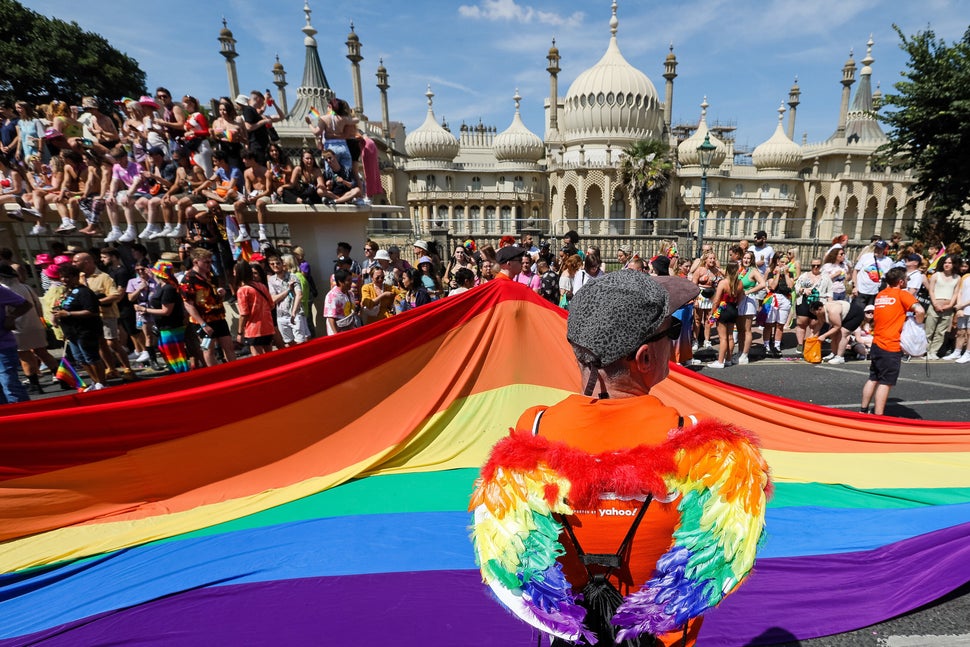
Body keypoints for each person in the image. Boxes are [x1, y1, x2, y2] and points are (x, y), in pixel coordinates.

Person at [471, 270, 769, 647]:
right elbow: (724, 561)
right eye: (672, 331)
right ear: (645, 357)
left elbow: (507, 558)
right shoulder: (703, 445)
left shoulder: (533, 430)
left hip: (574, 633)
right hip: (660, 637)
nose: (675, 340)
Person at [860, 267, 925, 414]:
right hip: (891, 345)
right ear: (901, 281)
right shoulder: (902, 294)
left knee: (873, 378)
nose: (908, 282)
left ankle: (863, 410)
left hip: (877, 343)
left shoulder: (880, 295)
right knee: (885, 382)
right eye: (907, 279)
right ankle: (879, 416)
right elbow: (920, 310)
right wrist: (918, 324)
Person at [50, 263, 107, 391]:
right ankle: (94, 381)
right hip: (71, 332)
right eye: (62, 277)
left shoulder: (84, 292)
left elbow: (92, 311)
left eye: (67, 277)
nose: (64, 279)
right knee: (80, 359)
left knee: (91, 357)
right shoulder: (67, 293)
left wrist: (68, 313)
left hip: (85, 331)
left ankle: (102, 382)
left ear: (75, 277)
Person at [179, 247, 235, 367]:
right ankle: (215, 376)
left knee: (229, 346)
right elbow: (188, 304)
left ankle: (234, 372)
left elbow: (211, 297)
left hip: (218, 317)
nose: (209, 265)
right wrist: (203, 324)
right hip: (204, 320)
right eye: (206, 262)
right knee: (209, 350)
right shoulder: (188, 279)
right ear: (196, 262)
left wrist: (220, 295)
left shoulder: (209, 275)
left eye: (210, 262)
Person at [136, 260, 190, 373]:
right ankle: (177, 374)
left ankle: (182, 376)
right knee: (166, 352)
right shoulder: (161, 285)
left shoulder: (168, 288)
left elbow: (166, 311)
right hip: (163, 326)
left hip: (171, 326)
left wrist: (144, 309)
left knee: (175, 354)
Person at [0, 282, 34, 403]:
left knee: (9, 384)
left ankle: (24, 416)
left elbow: (25, 304)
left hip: (3, 346)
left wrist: (11, 317)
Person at [234, 260, 275, 356]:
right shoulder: (261, 286)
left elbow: (244, 314)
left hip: (253, 329)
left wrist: (240, 333)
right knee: (270, 356)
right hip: (267, 326)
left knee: (258, 358)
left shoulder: (242, 290)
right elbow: (271, 305)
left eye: (234, 271)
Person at [809, 299, 867, 364]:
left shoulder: (832, 311)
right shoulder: (820, 313)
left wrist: (824, 336)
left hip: (855, 315)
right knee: (833, 334)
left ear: (819, 309)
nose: (814, 315)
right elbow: (819, 324)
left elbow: (837, 327)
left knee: (842, 333)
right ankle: (834, 353)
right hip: (843, 316)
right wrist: (813, 335)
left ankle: (840, 357)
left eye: (814, 313)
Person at [708, 261, 743, 368]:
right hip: (733, 309)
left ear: (727, 270)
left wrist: (712, 312)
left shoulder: (723, 283)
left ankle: (720, 361)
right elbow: (740, 299)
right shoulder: (740, 283)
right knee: (730, 337)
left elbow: (716, 300)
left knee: (723, 338)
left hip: (723, 309)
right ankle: (728, 359)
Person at [927, 255, 960, 360]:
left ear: (954, 264)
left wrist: (950, 305)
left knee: (941, 332)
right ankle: (926, 351)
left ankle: (934, 351)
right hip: (934, 306)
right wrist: (935, 304)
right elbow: (931, 291)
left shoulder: (957, 277)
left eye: (950, 263)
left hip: (948, 308)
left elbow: (955, 293)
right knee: (929, 330)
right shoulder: (936, 275)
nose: (947, 264)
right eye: (945, 262)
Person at [736, 250, 766, 364]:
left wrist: (749, 291)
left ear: (752, 260)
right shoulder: (740, 269)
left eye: (748, 258)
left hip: (748, 301)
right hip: (738, 300)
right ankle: (739, 352)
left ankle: (745, 355)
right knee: (739, 330)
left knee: (747, 329)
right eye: (745, 258)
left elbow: (763, 284)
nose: (746, 260)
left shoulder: (753, 271)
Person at [852, 239, 893, 308]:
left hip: (876, 292)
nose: (877, 250)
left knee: (871, 313)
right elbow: (855, 271)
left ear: (884, 250)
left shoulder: (888, 261)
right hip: (862, 290)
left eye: (879, 248)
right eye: (876, 248)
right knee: (858, 312)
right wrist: (855, 287)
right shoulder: (866, 257)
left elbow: (888, 277)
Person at [323, 268, 359, 334]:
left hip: (349, 328)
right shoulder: (332, 296)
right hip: (338, 331)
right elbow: (331, 318)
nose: (351, 282)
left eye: (351, 279)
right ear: (340, 282)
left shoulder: (350, 293)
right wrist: (336, 334)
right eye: (348, 280)